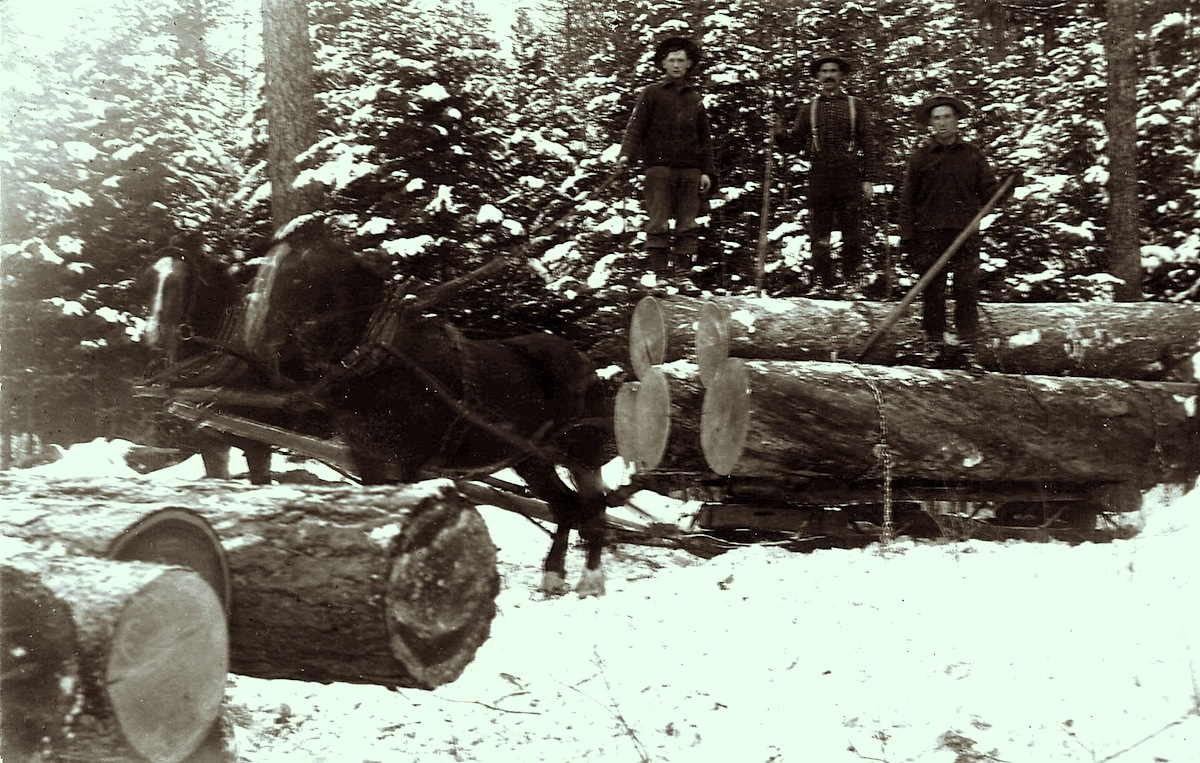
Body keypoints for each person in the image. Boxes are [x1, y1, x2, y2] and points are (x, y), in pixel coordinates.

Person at [897, 93, 1003, 368]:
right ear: (930, 124)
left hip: (965, 232)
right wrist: (907, 236)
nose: (942, 123)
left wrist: (1006, 187)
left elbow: (990, 192)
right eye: (936, 118)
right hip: (929, 234)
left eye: (947, 117)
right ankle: (934, 344)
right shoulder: (921, 158)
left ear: (957, 121)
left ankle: (967, 348)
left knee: (966, 289)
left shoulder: (972, 156)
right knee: (933, 291)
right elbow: (908, 199)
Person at [616, 37, 716, 288]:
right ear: (663, 63)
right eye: (671, 60)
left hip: (690, 171)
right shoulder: (651, 93)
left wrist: (706, 172)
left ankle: (683, 275)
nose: (676, 65)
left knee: (687, 224)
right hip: (659, 169)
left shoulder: (695, 98)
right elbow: (635, 127)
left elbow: (705, 139)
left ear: (689, 64)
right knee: (658, 221)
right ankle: (660, 275)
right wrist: (625, 154)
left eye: (681, 60)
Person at [778, 53, 880, 296]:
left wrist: (868, 178)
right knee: (819, 232)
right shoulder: (809, 109)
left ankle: (851, 281)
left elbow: (868, 143)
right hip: (820, 175)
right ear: (818, 77)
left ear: (841, 75)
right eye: (824, 72)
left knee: (852, 231)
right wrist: (778, 134)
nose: (828, 76)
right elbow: (795, 143)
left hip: (849, 174)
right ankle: (822, 282)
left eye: (833, 71)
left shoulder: (855, 106)